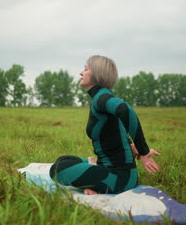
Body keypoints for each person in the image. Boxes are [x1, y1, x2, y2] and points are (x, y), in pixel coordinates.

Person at [49, 55, 161, 195]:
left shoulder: (102, 97)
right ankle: (94, 177)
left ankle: (97, 183)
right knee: (64, 160)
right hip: (108, 166)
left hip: (121, 178)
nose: (81, 73)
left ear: (97, 73)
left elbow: (125, 110)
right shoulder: (100, 97)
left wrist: (143, 152)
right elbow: (115, 129)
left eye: (86, 69)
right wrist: (132, 147)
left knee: (58, 169)